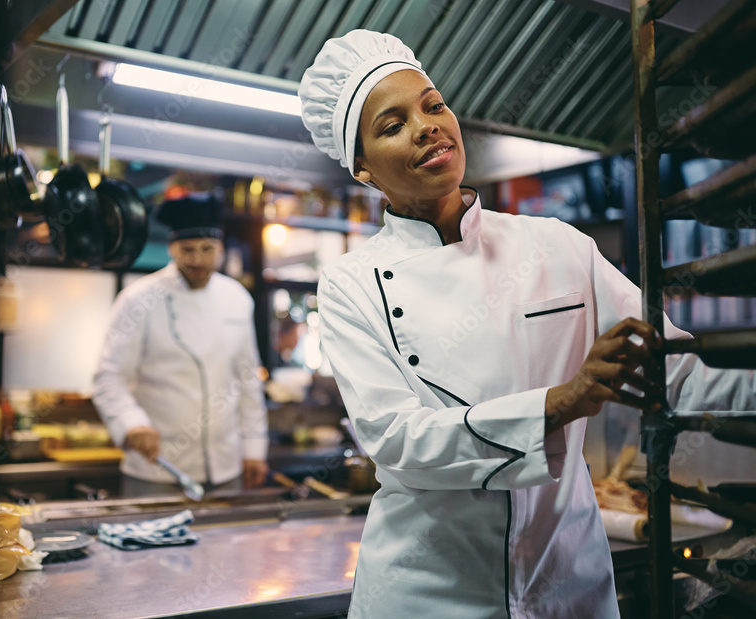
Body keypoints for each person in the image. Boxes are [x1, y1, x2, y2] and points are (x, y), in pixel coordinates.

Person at [298, 30, 753, 618]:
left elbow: (679, 371)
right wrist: (562, 402)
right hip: (430, 595)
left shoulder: (555, 246)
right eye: (393, 125)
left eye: (433, 106)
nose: (427, 126)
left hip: (569, 583)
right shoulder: (350, 283)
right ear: (361, 168)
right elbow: (398, 440)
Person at [93, 192, 269, 498]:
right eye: (187, 250)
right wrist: (132, 424)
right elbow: (108, 376)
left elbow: (247, 379)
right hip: (157, 467)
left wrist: (254, 446)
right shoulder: (138, 299)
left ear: (221, 250)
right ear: (172, 248)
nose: (197, 260)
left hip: (227, 466)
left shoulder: (237, 298)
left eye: (207, 249)